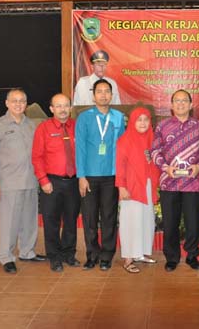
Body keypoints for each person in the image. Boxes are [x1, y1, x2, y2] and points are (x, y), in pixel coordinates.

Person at [0, 89, 45, 274]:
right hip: (9, 183)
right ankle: (6, 256)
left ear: (26, 104)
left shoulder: (32, 125)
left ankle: (27, 251)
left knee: (29, 220)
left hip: (31, 181)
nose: (18, 104)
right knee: (9, 223)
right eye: (14, 101)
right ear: (7, 103)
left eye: (22, 101)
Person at [151, 90, 199, 272]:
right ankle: (172, 257)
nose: (180, 104)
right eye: (177, 101)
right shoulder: (162, 126)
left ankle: (192, 255)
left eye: (184, 101)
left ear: (191, 104)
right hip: (169, 182)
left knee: (193, 222)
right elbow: (155, 151)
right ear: (171, 105)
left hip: (193, 183)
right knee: (170, 222)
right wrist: (166, 168)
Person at [75, 79, 125, 271]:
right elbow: (79, 148)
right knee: (89, 218)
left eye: (107, 91)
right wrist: (81, 176)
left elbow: (123, 148)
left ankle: (106, 255)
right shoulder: (84, 118)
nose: (103, 95)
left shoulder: (119, 118)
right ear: (93, 95)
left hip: (112, 175)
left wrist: (122, 177)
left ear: (111, 95)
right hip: (89, 176)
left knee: (109, 217)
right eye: (100, 91)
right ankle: (92, 254)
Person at [32, 93, 81, 272]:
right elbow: (36, 157)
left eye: (66, 105)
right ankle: (54, 256)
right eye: (58, 106)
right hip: (51, 182)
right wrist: (43, 180)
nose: (62, 109)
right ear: (51, 109)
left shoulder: (77, 127)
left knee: (70, 220)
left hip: (73, 182)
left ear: (70, 107)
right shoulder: (43, 128)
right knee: (51, 221)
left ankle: (69, 254)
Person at [116, 107, 160, 273]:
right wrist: (121, 187)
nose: (142, 123)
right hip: (131, 187)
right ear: (132, 122)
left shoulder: (152, 139)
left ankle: (140, 253)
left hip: (148, 185)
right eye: (139, 119)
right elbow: (119, 166)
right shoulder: (124, 140)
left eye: (146, 119)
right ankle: (128, 258)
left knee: (146, 220)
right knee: (130, 221)